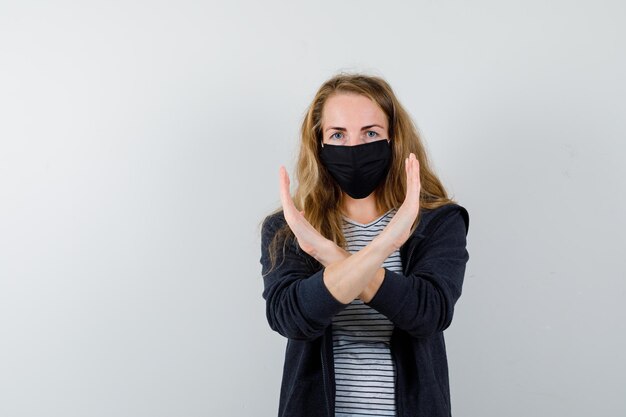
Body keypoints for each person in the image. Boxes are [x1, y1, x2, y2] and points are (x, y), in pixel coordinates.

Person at [259, 73, 470, 417]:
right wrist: (384, 246)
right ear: (319, 143)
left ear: (393, 139)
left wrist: (328, 253)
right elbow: (292, 319)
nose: (354, 147)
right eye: (338, 134)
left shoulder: (437, 221)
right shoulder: (289, 228)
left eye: (370, 133)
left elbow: (429, 313)